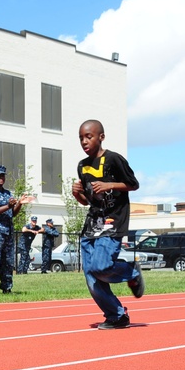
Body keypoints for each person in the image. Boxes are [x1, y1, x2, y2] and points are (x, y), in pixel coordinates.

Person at [71, 119, 144, 330]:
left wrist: (109, 184)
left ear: (101, 137)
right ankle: (117, 316)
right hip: (92, 224)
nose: (84, 141)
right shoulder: (82, 166)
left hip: (113, 222)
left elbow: (133, 184)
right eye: (81, 138)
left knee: (100, 267)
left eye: (89, 136)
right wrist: (77, 194)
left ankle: (132, 271)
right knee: (92, 277)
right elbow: (88, 201)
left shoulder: (113, 159)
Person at [0, 165, 32, 296]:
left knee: (8, 262)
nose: (1, 178)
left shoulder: (8, 193)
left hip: (7, 232)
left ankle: (7, 288)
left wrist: (19, 204)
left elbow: (12, 214)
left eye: (3, 175)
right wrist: (8, 205)